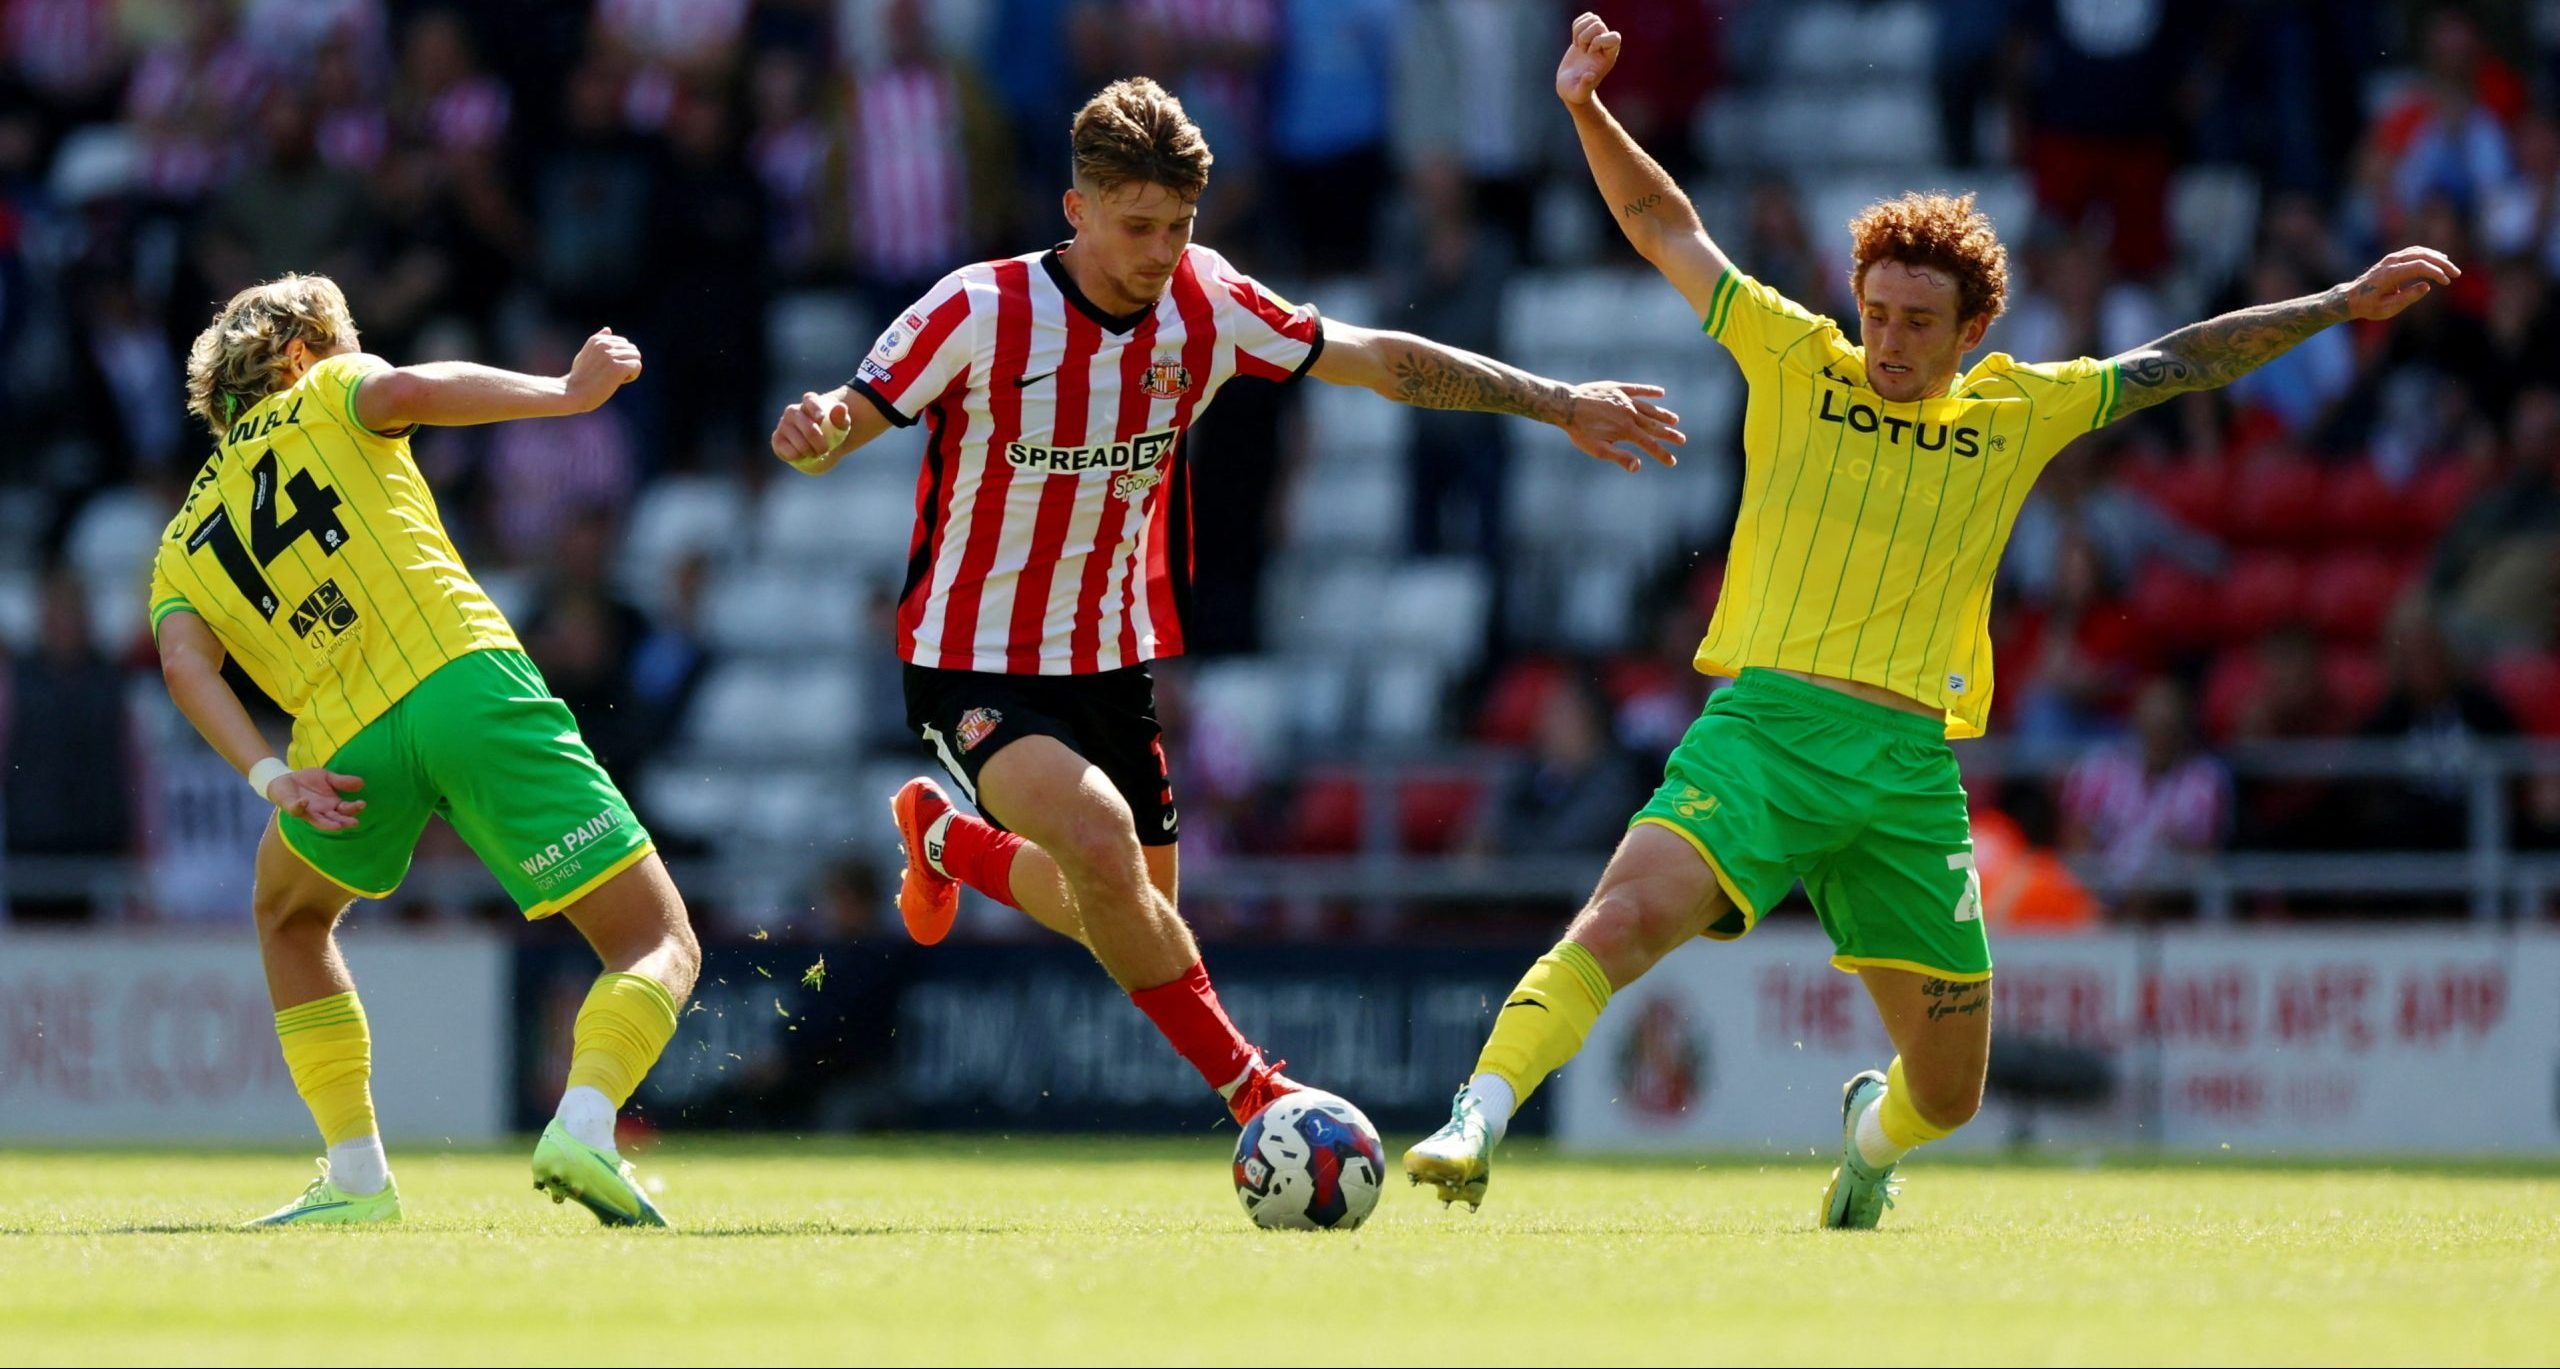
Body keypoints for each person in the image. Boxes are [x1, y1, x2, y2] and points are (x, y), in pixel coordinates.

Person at [1403, 12, 2456, 1229]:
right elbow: (1662, 225)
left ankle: (1868, 1136)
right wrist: (1587, 108)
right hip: (1763, 735)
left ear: (1971, 332)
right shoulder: (1798, 358)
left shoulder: (2019, 411)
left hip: (1909, 774)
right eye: (1875, 310)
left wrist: (2337, 302)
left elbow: (2182, 359)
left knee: (1950, 1094)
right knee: (1624, 914)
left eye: (1915, 321)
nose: (1886, 339)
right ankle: (1474, 1115)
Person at [769, 77, 1682, 1131]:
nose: (1160, 251)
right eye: (1137, 226)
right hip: (969, 659)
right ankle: (1262, 1093)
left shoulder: (1206, 302)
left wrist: (1557, 400)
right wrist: (818, 428)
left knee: (1130, 912)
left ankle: (951, 842)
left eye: (1179, 225)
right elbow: (854, 410)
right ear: (1077, 210)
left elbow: (1380, 359)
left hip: (1107, 660)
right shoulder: (978, 310)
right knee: (1103, 848)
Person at [149, 274, 700, 1227]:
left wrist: (271, 773)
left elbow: (183, 660)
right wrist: (564, 395)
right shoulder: (324, 390)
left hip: (343, 741)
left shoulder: (180, 541)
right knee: (656, 940)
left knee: (287, 915)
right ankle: (586, 1117)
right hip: (459, 679)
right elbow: (405, 392)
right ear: (296, 354)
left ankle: (356, 1172)